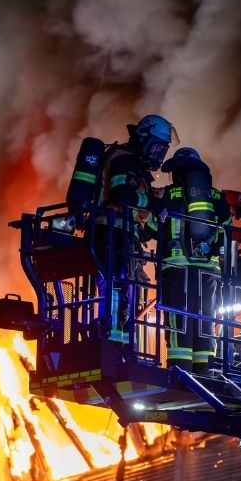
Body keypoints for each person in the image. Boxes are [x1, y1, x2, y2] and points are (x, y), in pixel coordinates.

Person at [94, 114, 177, 345]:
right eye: (157, 148)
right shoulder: (124, 159)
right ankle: (111, 341)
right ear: (143, 138)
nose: (158, 155)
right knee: (116, 287)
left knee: (125, 290)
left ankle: (121, 342)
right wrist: (151, 203)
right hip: (110, 231)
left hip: (123, 234)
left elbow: (141, 212)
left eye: (163, 150)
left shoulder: (135, 166)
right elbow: (122, 194)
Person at [156, 147, 231, 373]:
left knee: (179, 318)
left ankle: (180, 367)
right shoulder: (217, 198)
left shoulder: (168, 195)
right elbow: (227, 234)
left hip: (177, 270)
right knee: (206, 317)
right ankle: (204, 366)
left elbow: (152, 227)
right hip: (209, 272)